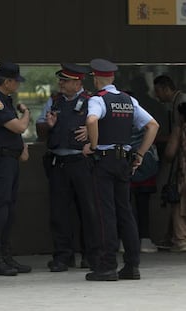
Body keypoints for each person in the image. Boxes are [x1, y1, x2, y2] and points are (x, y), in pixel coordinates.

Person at [83, 58, 159, 281]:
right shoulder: (129, 100)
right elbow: (153, 125)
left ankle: (107, 266)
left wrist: (93, 145)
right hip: (125, 161)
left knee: (106, 213)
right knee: (126, 212)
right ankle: (132, 266)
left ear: (96, 78)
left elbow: (91, 120)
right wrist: (140, 154)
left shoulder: (98, 99)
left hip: (104, 161)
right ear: (113, 78)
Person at [35, 63, 100, 272]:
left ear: (77, 82)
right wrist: (48, 125)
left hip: (82, 164)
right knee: (59, 212)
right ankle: (63, 256)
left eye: (65, 80)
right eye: (60, 80)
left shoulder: (92, 102)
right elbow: (39, 130)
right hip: (59, 164)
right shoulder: (54, 101)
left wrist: (92, 134)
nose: (60, 84)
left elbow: (107, 127)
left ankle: (91, 255)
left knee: (88, 211)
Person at [0, 62, 32, 276]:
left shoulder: (5, 100)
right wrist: (26, 112)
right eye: (16, 81)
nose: (18, 84)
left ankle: (5, 254)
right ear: (7, 81)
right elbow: (18, 127)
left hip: (10, 160)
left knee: (8, 209)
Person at [153, 75, 186, 251]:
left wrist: (168, 153)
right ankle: (173, 236)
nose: (157, 96)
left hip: (181, 160)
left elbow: (176, 133)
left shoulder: (180, 103)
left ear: (166, 88)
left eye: (158, 91)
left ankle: (178, 238)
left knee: (177, 198)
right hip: (180, 159)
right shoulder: (177, 101)